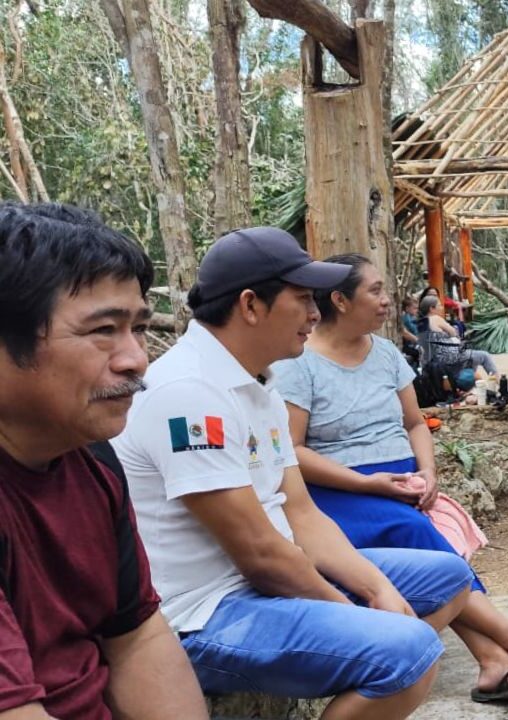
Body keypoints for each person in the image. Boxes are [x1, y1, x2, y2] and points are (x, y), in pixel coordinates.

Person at [113, 227, 477, 720]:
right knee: (408, 651)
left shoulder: (258, 382)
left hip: (260, 586)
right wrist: (350, 614)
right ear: (250, 305)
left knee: (450, 576)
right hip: (204, 613)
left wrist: (377, 589)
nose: (314, 313)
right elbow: (260, 554)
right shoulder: (189, 396)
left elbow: (301, 513)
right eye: (304, 298)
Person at [273, 254, 508, 703]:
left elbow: (415, 423)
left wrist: (428, 472)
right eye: (376, 291)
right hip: (338, 490)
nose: (388, 300)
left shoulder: (384, 354)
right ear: (340, 300)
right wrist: (367, 484)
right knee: (418, 528)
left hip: (403, 482)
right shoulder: (299, 365)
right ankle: (507, 639)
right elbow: (294, 452)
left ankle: (495, 662)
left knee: (430, 524)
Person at [0, 203, 207, 720]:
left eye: (136, 327)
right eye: (102, 330)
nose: (136, 357)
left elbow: (136, 636)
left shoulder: (92, 458)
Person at [419, 295, 499, 376]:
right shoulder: (435, 318)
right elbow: (453, 332)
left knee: (472, 361)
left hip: (433, 360)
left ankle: (468, 383)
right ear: (431, 309)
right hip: (450, 357)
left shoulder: (420, 323)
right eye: (439, 305)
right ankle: (500, 384)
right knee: (485, 356)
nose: (442, 307)